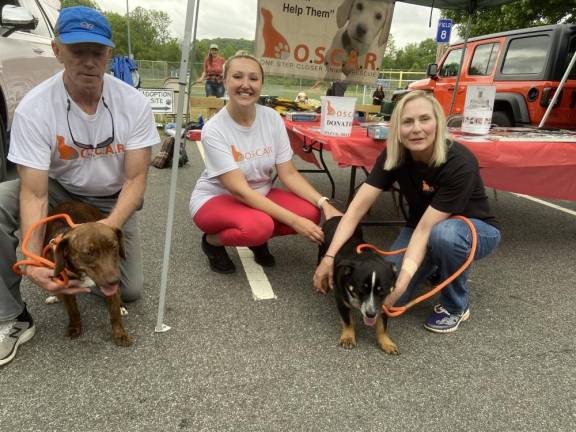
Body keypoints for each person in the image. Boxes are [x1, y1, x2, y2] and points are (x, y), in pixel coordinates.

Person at [0, 6, 159, 366]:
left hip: (111, 200)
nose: (88, 61)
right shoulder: (35, 108)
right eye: (77, 51)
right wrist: (32, 259)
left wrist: (107, 228)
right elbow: (35, 192)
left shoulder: (132, 103)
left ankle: (85, 267)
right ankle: (11, 318)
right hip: (60, 189)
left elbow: (136, 180)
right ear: (57, 50)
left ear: (109, 54)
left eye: (97, 52)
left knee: (127, 290)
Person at [313, 90, 501, 333]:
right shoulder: (395, 155)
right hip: (422, 227)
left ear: (438, 122)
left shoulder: (459, 163)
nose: (416, 129)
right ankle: (436, 264)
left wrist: (401, 284)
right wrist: (329, 258)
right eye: (407, 121)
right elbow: (355, 210)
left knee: (442, 238)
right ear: (397, 128)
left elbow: (425, 230)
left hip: (473, 230)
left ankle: (455, 305)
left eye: (425, 119)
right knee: (391, 297)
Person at [190, 53, 341, 274]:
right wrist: (294, 221)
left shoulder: (272, 118)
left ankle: (257, 238)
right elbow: (241, 192)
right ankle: (212, 242)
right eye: (237, 77)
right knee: (260, 226)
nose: (245, 85)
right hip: (217, 198)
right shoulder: (214, 129)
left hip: (260, 194)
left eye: (253, 78)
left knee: (310, 213)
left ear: (261, 84)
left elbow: (288, 174)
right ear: (224, 82)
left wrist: (325, 204)